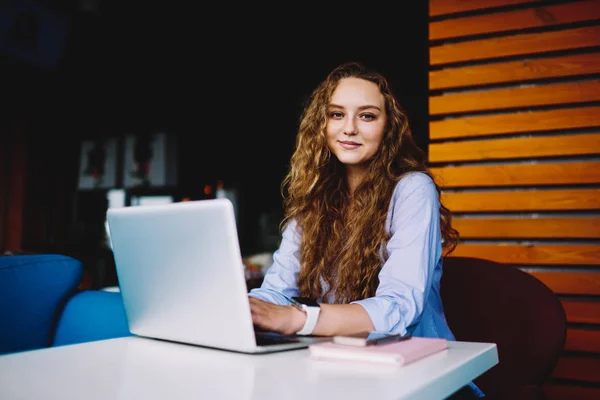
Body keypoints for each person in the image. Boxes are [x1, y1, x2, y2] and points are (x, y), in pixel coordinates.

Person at [248, 62, 484, 398]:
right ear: (321, 124)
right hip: (342, 371)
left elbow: (398, 308)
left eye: (367, 116)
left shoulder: (412, 189)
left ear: (389, 127)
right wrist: (241, 309)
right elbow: (275, 290)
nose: (349, 129)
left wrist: (297, 319)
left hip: (425, 377)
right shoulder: (313, 198)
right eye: (336, 114)